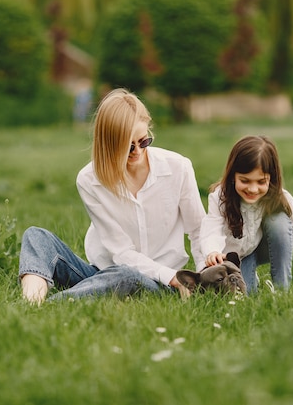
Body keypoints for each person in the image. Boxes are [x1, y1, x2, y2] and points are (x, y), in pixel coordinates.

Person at [18, 88, 205, 304]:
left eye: (144, 141)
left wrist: (199, 277)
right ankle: (31, 303)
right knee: (36, 237)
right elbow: (122, 252)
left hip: (163, 282)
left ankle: (55, 304)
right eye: (127, 146)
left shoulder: (178, 168)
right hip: (103, 272)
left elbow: (198, 230)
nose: (137, 151)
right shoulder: (90, 179)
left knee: (127, 276)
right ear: (109, 144)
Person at [200, 135, 293, 293]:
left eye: (261, 182)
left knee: (279, 221)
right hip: (234, 258)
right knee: (246, 294)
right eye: (245, 181)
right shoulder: (220, 198)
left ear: (271, 178)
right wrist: (212, 251)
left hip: (260, 247)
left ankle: (282, 290)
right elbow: (212, 227)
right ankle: (251, 276)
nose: (253, 189)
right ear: (233, 176)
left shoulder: (281, 198)